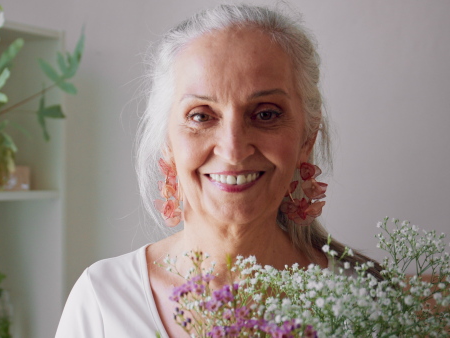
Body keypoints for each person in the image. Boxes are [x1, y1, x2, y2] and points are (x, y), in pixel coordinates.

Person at [56, 4, 379, 337]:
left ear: (306, 138)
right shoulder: (103, 300)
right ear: (167, 140)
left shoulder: (367, 300)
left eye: (265, 114)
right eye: (201, 116)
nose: (234, 149)